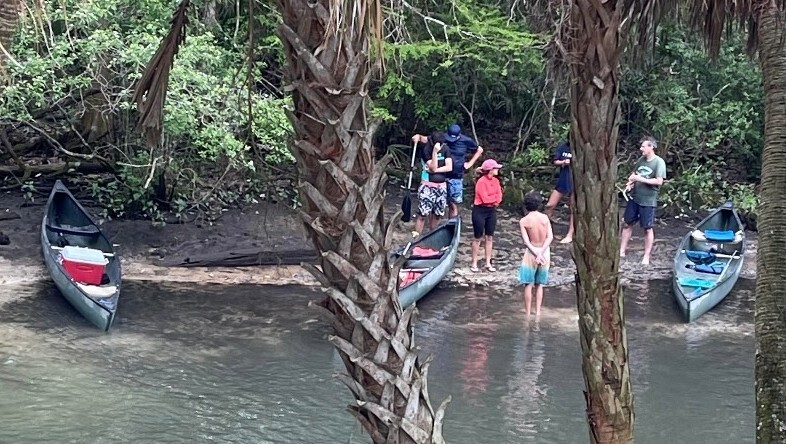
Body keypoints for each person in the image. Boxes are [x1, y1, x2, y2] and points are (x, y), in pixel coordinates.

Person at [619, 136, 667, 265]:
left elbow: (659, 181)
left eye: (643, 146)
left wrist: (641, 180)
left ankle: (646, 256)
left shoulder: (659, 162)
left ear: (651, 147)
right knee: (627, 224)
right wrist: (630, 183)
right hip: (635, 198)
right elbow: (633, 175)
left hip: (648, 201)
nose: (641, 149)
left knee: (647, 228)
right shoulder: (641, 160)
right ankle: (622, 251)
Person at [410, 132, 452, 237]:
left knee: (437, 214)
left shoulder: (446, 149)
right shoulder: (426, 150)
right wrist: (435, 152)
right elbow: (433, 166)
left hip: (441, 186)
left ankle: (432, 236)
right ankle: (416, 237)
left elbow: (449, 167)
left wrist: (435, 170)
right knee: (423, 214)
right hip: (427, 186)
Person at [518, 191, 553, 316]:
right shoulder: (545, 218)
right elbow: (550, 237)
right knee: (540, 284)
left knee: (528, 284)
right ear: (539, 204)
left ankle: (527, 313)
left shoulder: (524, 221)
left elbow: (526, 241)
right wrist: (541, 252)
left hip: (531, 253)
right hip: (545, 252)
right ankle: (538, 312)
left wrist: (535, 253)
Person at [443, 123, 484, 217]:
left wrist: (470, 163)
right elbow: (428, 139)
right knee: (441, 203)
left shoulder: (466, 140)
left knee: (453, 203)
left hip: (456, 176)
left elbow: (480, 150)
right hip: (442, 174)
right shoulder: (443, 137)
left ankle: (452, 225)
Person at [470, 159, 503, 272]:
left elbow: (499, 196)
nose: (497, 169)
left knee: (489, 236)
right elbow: (484, 199)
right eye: (495, 168)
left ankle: (488, 262)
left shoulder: (496, 181)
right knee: (477, 237)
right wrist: (494, 200)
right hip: (480, 210)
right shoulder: (481, 182)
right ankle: (474, 263)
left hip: (491, 211)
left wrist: (494, 201)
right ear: (490, 170)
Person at [544, 139, 574, 244]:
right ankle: (546, 230)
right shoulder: (563, 146)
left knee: (573, 209)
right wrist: (563, 162)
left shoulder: (580, 147)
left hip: (575, 182)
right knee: (549, 205)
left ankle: (570, 234)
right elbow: (555, 160)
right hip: (563, 180)